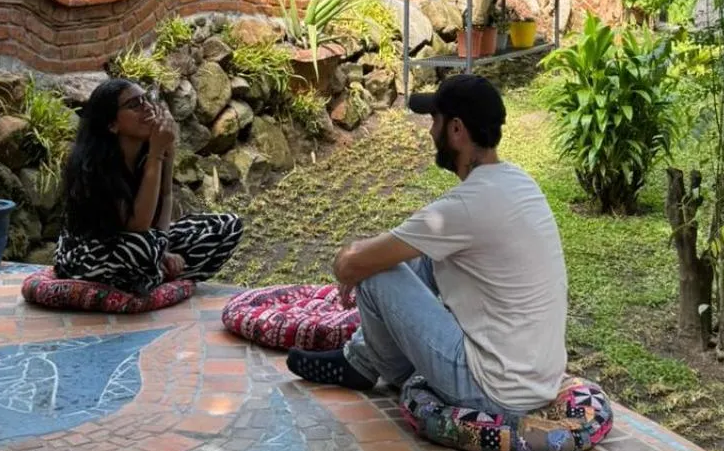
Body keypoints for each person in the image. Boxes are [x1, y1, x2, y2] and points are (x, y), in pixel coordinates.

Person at [287, 74, 567, 420]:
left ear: (456, 130)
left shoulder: (465, 207)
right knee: (419, 260)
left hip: (492, 390)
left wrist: (357, 262)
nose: (430, 132)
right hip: (536, 379)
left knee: (378, 274)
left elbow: (350, 266)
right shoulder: (519, 182)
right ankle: (360, 357)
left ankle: (361, 363)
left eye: (435, 121)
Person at [54, 77, 243, 295]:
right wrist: (156, 153)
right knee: (141, 248)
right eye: (134, 105)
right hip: (93, 254)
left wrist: (163, 249)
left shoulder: (149, 150)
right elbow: (138, 226)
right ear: (112, 125)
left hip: (145, 242)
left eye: (146, 99)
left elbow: (166, 197)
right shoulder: (93, 167)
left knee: (228, 225)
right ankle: (153, 273)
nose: (147, 108)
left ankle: (151, 274)